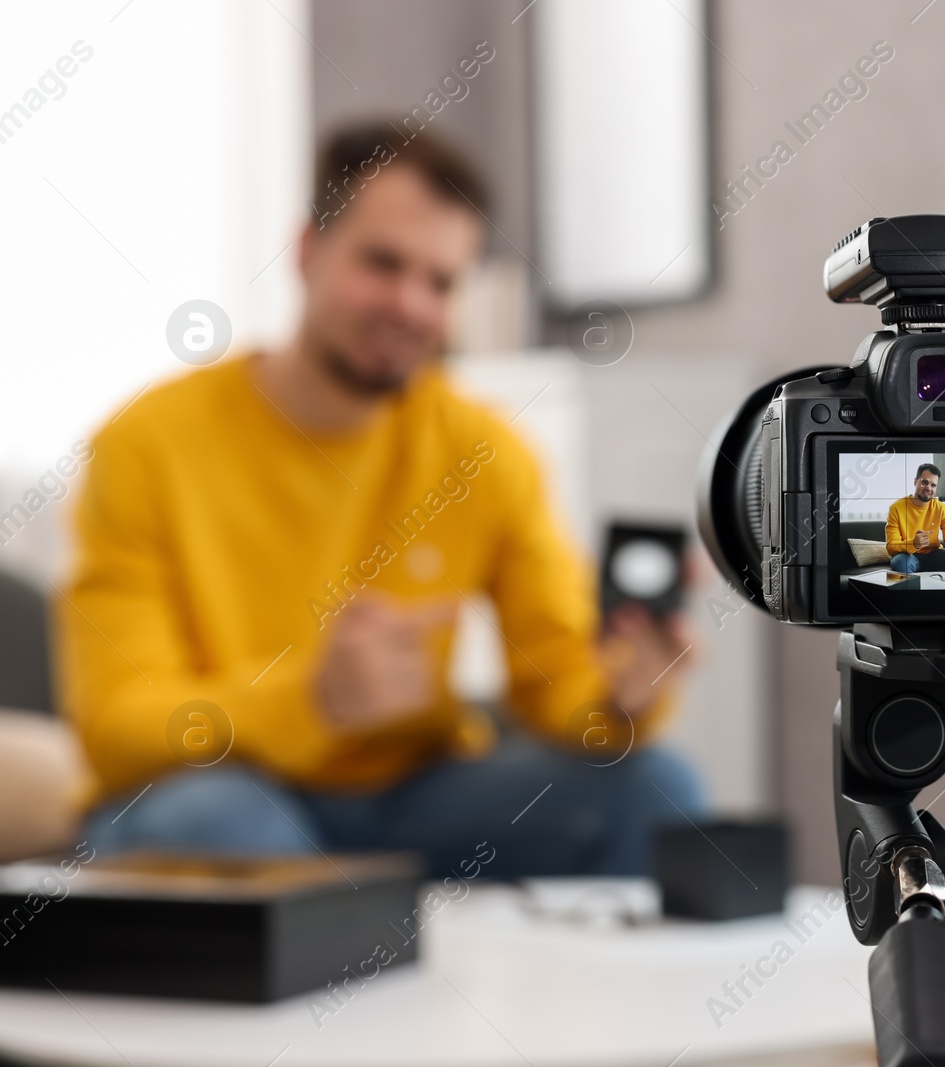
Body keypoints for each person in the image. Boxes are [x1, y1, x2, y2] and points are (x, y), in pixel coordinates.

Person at [56, 123, 703, 878]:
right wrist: (314, 700)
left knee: (662, 787)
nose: (410, 304)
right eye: (383, 263)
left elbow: (555, 669)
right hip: (224, 788)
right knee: (217, 823)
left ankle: (378, 936)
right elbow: (115, 725)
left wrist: (621, 699)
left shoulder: (483, 451)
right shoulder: (148, 443)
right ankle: (345, 948)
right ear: (306, 250)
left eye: (440, 282)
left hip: (413, 800)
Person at [885, 463, 945, 573]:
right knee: (901, 562)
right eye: (924, 482)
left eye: (933, 485)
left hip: (934, 555)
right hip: (909, 556)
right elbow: (891, 546)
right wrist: (914, 543)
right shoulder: (896, 508)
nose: (928, 488)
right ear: (915, 481)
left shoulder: (941, 508)